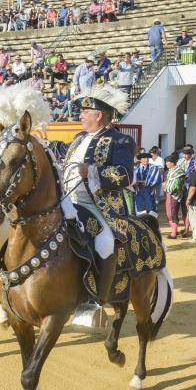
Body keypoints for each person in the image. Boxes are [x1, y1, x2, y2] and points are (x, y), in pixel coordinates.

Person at [64, 84, 135, 292]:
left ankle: (99, 298)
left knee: (104, 243)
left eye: (85, 112)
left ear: (99, 116)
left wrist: (93, 171)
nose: (80, 116)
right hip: (68, 201)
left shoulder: (120, 140)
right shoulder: (78, 139)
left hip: (100, 207)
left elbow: (125, 174)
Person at [133, 152, 162, 216]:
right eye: (144, 158)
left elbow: (157, 179)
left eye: (147, 158)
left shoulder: (154, 168)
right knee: (140, 211)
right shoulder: (135, 168)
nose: (146, 159)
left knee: (151, 211)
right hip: (139, 193)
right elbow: (132, 180)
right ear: (140, 160)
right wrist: (135, 183)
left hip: (149, 192)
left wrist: (146, 182)